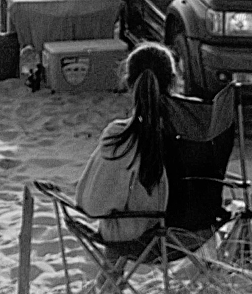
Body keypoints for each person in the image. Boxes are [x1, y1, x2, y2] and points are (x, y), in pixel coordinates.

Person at [74, 42, 177, 245]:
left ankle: (111, 275)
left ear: (129, 83)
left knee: (115, 220)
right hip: (189, 235)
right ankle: (109, 275)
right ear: (173, 81)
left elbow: (93, 205)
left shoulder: (121, 135)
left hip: (138, 238)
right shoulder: (197, 127)